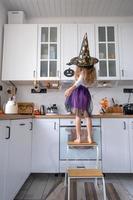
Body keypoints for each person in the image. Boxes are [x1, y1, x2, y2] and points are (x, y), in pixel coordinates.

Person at [64, 33, 98, 143]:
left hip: (78, 93)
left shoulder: (82, 72)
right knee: (87, 116)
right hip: (86, 93)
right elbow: (88, 84)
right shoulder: (91, 73)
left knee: (78, 116)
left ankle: (78, 138)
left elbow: (78, 82)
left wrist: (70, 89)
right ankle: (89, 137)